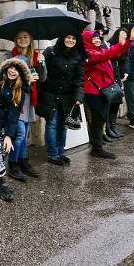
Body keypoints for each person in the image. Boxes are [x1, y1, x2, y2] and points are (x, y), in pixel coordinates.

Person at [0, 57, 30, 202]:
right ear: (7, 68)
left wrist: (9, 136)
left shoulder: (19, 91)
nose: (13, 71)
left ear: (21, 74)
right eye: (11, 68)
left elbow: (14, 115)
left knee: (5, 149)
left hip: (3, 123)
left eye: (17, 70)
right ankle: (1, 182)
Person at [36, 32, 87, 166]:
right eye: (68, 37)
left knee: (63, 125)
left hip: (67, 96)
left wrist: (78, 97)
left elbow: (79, 79)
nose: (70, 40)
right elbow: (41, 70)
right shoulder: (51, 51)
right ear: (62, 38)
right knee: (52, 124)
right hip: (50, 94)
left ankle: (60, 152)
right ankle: (52, 154)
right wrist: (40, 60)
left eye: (73, 38)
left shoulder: (78, 56)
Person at [82, 28, 133, 158]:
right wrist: (125, 42)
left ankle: (98, 145)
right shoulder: (88, 53)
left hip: (103, 90)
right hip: (94, 91)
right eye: (93, 38)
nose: (97, 40)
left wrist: (128, 42)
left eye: (98, 37)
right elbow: (107, 55)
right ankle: (97, 148)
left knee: (101, 118)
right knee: (98, 120)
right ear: (87, 41)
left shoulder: (101, 50)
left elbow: (115, 53)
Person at [2, 31, 45, 180]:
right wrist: (27, 78)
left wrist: (42, 63)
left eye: (26, 37)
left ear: (31, 39)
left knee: (25, 134)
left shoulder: (35, 56)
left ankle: (22, 162)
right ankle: (13, 165)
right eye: (19, 37)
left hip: (29, 100)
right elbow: (7, 77)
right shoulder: (9, 55)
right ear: (15, 40)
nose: (22, 40)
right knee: (19, 134)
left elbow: (43, 78)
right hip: (16, 99)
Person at [104, 27, 130, 138]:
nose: (124, 36)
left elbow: (124, 62)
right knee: (109, 102)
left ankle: (113, 126)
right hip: (110, 76)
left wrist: (124, 73)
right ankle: (108, 128)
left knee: (117, 101)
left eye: (125, 35)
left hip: (118, 76)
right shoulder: (110, 45)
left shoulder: (124, 47)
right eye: (122, 34)